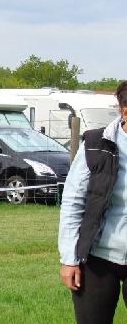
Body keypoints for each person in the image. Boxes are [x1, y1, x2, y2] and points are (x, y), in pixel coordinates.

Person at [59, 81, 127, 324]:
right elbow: (73, 201)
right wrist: (69, 259)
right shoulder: (96, 144)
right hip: (98, 256)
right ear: (125, 112)